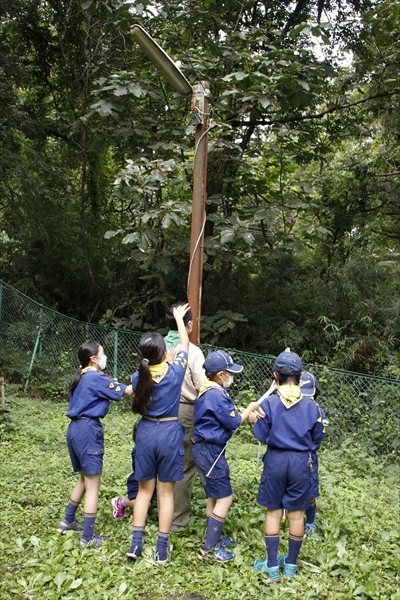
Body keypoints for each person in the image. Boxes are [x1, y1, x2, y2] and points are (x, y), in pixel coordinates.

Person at [252, 350, 327, 582]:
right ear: (301, 375)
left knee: (273, 513)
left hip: (275, 460)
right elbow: (318, 435)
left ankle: (272, 567)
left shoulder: (269, 404)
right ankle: (291, 566)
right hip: (300, 462)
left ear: (275, 376)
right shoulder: (313, 407)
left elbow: (261, 435)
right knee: (296, 515)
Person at [126, 303, 190, 565]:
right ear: (165, 353)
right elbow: (185, 345)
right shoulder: (175, 371)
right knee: (165, 494)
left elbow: (150, 372)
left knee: (144, 492)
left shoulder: (137, 377)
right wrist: (178, 319)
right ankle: (162, 549)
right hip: (169, 432)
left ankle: (136, 544)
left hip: (145, 431)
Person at [57, 340, 133, 547]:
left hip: (74, 430)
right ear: (93, 358)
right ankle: (88, 537)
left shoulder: (80, 376)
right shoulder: (95, 377)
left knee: (84, 479)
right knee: (93, 486)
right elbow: (127, 391)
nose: (104, 356)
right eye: (102, 353)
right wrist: (147, 374)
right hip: (88, 430)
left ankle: (68, 520)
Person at [192, 350, 259, 563]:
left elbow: (226, 412)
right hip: (210, 452)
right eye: (230, 373)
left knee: (213, 495)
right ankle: (209, 548)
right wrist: (249, 408)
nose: (231, 377)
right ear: (220, 374)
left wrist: (245, 414)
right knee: (225, 498)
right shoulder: (215, 394)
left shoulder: (208, 390)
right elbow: (232, 422)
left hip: (203, 450)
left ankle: (215, 537)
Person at [164, 301, 207, 533]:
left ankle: (160, 509)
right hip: (184, 411)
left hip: (156, 410)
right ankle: (177, 520)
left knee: (162, 460)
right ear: (188, 324)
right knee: (183, 464)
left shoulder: (157, 346)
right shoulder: (192, 351)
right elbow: (202, 385)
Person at [300, 371, 329, 536]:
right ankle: (304, 522)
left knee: (309, 490)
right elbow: (319, 435)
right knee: (306, 490)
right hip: (304, 455)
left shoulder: (317, 411)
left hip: (307, 455)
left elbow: (319, 435)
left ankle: (309, 522)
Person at [111, 420, 157, 519]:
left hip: (154, 481)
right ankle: (122, 502)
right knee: (146, 505)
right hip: (138, 482)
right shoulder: (138, 452)